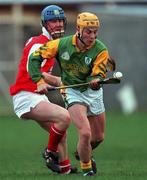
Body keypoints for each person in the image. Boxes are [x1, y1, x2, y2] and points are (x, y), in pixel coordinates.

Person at [28, 12, 115, 176]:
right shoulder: (61, 44)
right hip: (71, 91)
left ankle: (82, 151)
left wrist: (95, 80)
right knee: (85, 132)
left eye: (95, 32)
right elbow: (34, 58)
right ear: (79, 29)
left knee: (97, 138)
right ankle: (87, 168)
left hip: (92, 92)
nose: (92, 36)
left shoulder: (101, 49)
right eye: (88, 31)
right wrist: (39, 81)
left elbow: (98, 73)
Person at [9, 5, 77, 174]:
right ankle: (49, 152)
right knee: (64, 117)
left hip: (37, 96)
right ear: (45, 24)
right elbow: (30, 67)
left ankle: (65, 168)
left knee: (60, 131)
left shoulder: (51, 44)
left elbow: (46, 75)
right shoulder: (38, 43)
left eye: (61, 20)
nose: (59, 24)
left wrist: (61, 82)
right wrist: (40, 81)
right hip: (26, 95)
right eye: (54, 21)